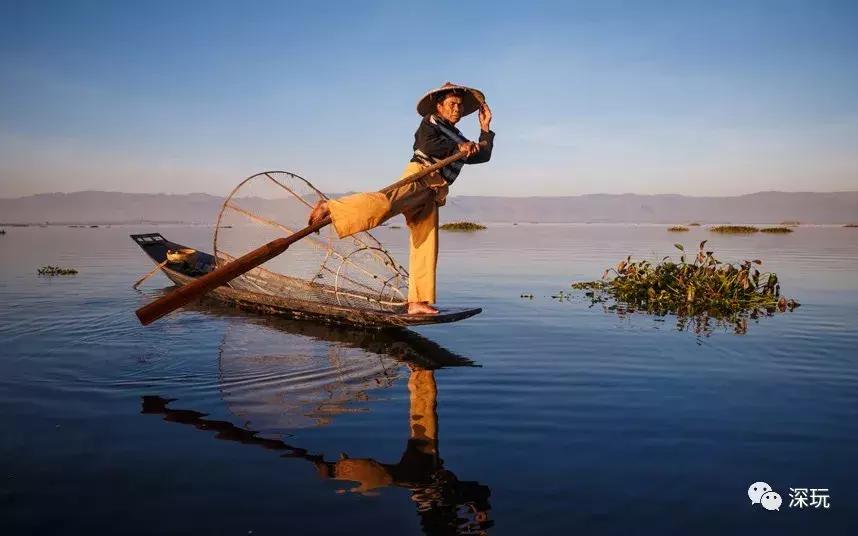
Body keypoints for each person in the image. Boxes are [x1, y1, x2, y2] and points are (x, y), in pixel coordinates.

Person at [307, 82, 495, 315]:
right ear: (439, 106)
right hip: (419, 177)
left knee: (425, 243)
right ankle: (331, 207)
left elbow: (481, 155)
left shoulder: (457, 134)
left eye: (459, 105)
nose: (457, 109)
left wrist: (485, 129)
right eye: (452, 104)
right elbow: (427, 144)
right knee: (384, 203)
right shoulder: (431, 122)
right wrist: (460, 146)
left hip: (433, 190)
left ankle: (418, 301)